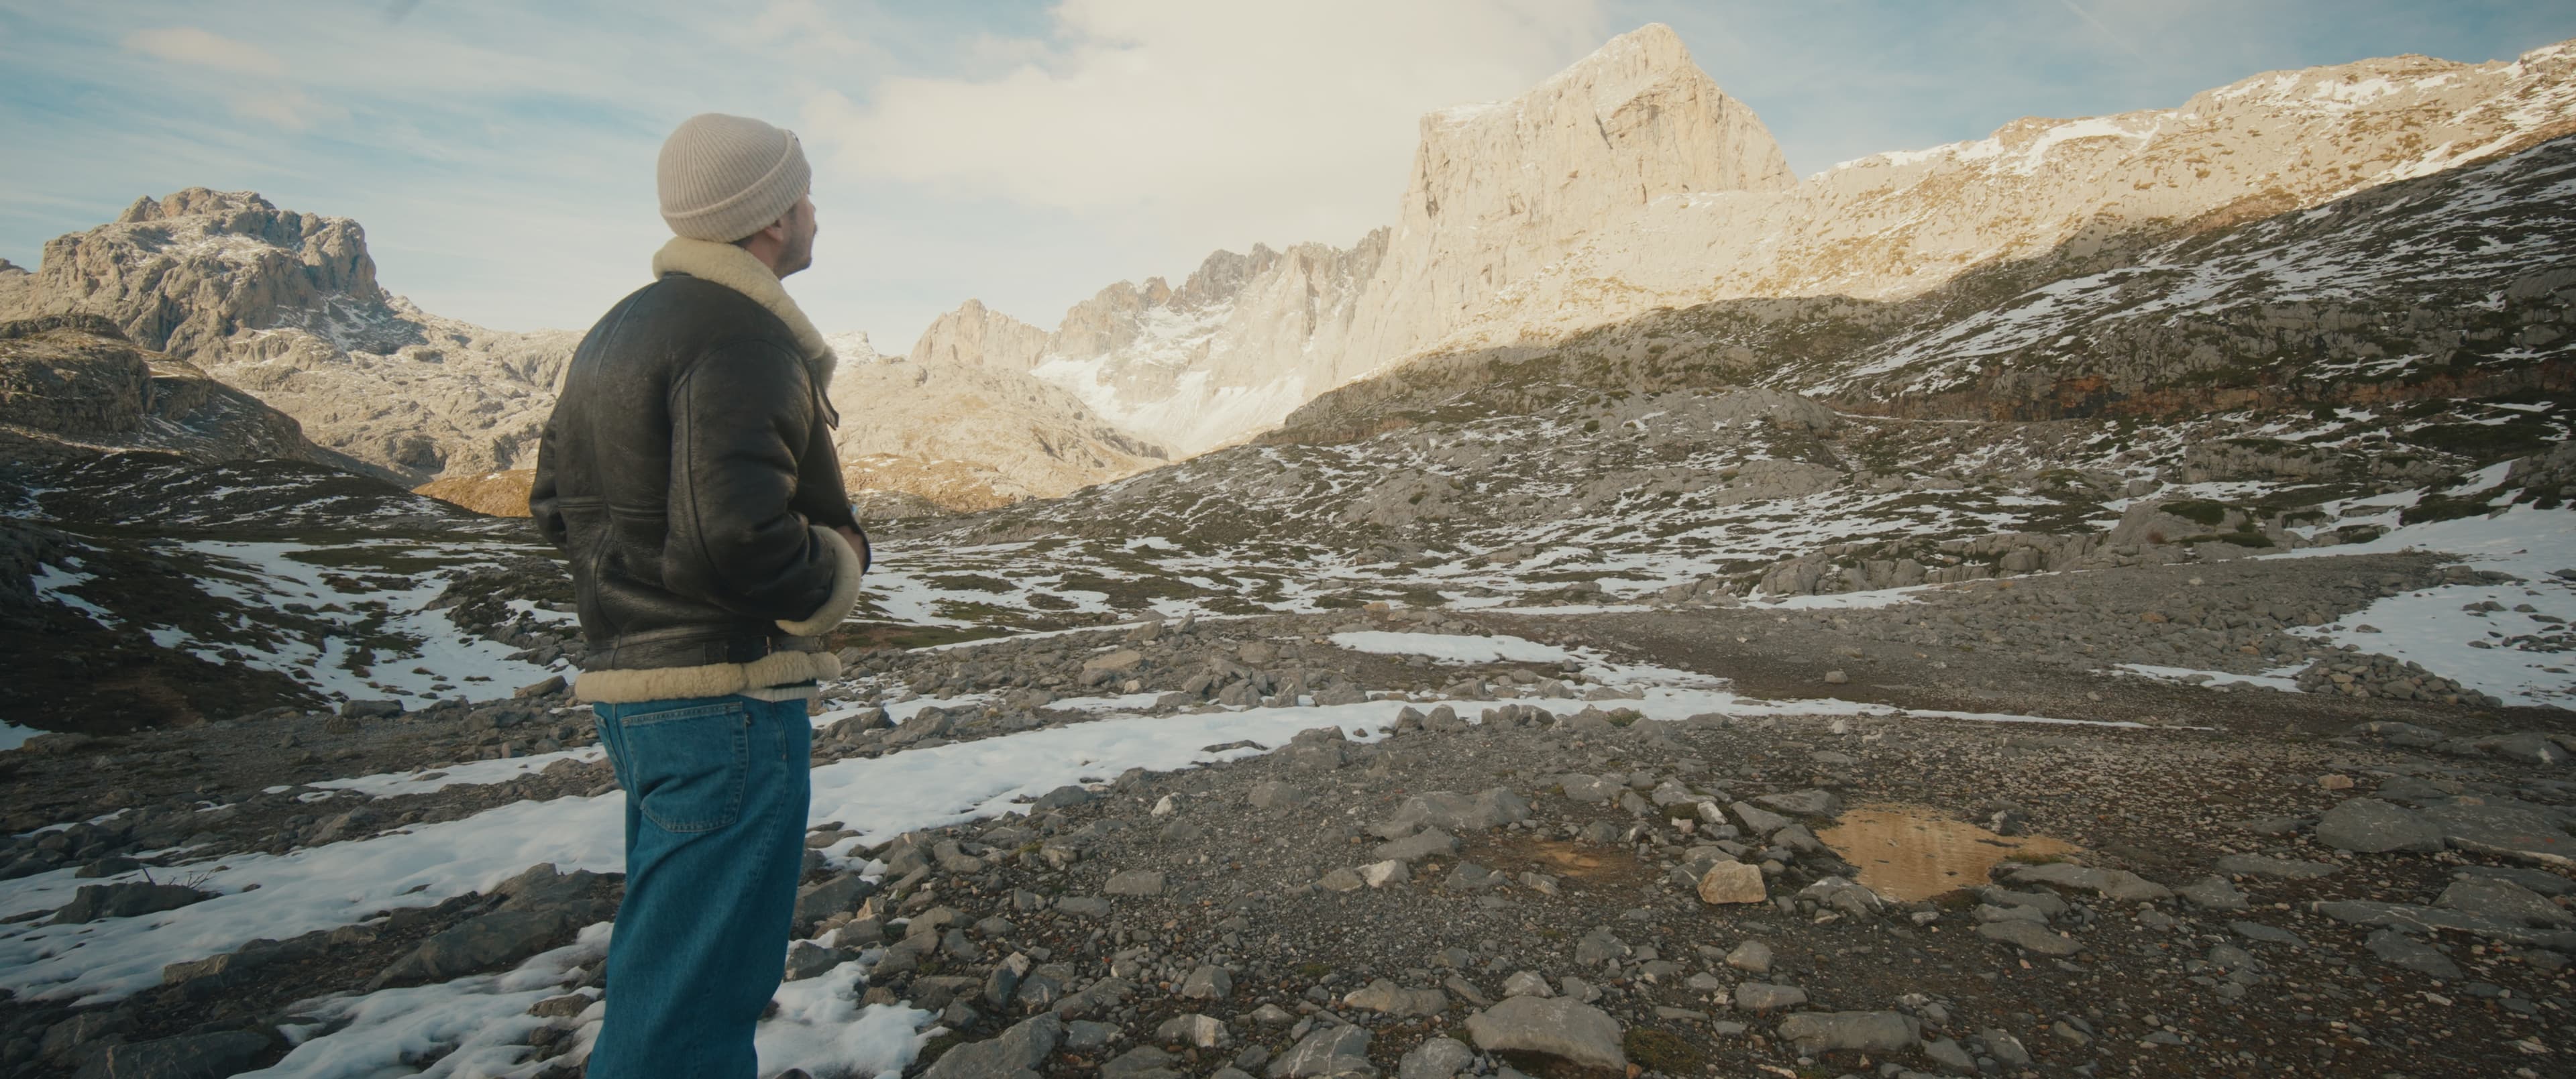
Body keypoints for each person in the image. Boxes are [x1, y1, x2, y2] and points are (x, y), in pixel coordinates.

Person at [529, 111, 869, 1078]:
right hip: (727, 696)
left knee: (667, 963)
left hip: (640, 697)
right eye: (802, 195)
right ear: (768, 219)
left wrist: (639, 584)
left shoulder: (613, 331)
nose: (813, 212)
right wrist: (836, 562)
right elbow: (737, 532)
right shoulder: (747, 335)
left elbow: (554, 503)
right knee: (697, 999)